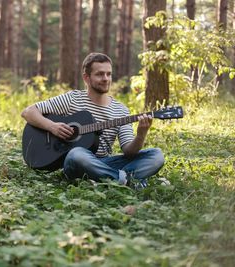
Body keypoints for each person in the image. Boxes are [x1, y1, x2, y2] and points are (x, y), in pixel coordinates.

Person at [21, 52, 165, 188]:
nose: (106, 78)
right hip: (77, 163)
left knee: (156, 155)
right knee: (77, 153)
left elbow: (129, 152)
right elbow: (28, 112)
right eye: (100, 74)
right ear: (86, 78)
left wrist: (141, 135)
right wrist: (52, 126)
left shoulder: (121, 110)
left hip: (105, 163)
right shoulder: (72, 99)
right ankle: (130, 181)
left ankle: (111, 179)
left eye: (109, 74)